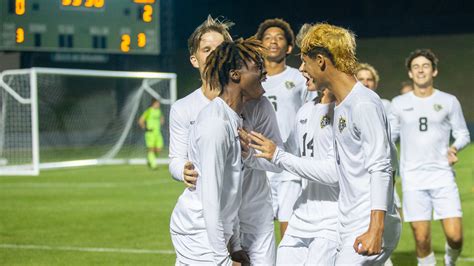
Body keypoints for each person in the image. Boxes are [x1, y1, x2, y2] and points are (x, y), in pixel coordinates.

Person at [250, 22, 401, 265]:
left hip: (367, 222)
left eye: (305, 62)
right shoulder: (341, 105)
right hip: (347, 219)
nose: (301, 69)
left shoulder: (363, 103)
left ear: (320, 61)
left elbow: (381, 167)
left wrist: (376, 228)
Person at [168, 16, 282, 264]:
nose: (264, 74)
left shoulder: (251, 106)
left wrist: (249, 155)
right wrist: (223, 256)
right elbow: (211, 195)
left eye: (220, 49)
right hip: (203, 227)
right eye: (207, 49)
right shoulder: (210, 120)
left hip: (247, 214)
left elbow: (273, 161)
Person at [390, 49, 470, 266]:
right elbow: (390, 137)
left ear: (434, 71)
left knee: (455, 237)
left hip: (442, 175)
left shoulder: (448, 101)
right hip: (413, 179)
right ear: (410, 73)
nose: (420, 70)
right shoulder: (398, 103)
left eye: (425, 66)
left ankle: (449, 262)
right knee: (421, 238)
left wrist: (454, 148)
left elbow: (463, 133)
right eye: (415, 67)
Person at [255, 18, 308, 238]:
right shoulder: (250, 77)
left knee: (289, 232)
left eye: (279, 38)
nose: (273, 41)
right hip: (257, 164)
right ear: (260, 46)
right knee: (257, 233)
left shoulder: (299, 78)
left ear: (288, 47)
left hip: (288, 162)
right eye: (267, 38)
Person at [138, 98, 164, 169]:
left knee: (159, 149)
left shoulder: (159, 111)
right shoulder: (148, 111)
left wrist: (161, 121)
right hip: (150, 133)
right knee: (151, 149)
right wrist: (145, 128)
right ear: (153, 103)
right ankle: (153, 164)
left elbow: (161, 119)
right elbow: (141, 121)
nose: (158, 105)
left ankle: (150, 159)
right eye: (157, 103)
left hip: (158, 133)